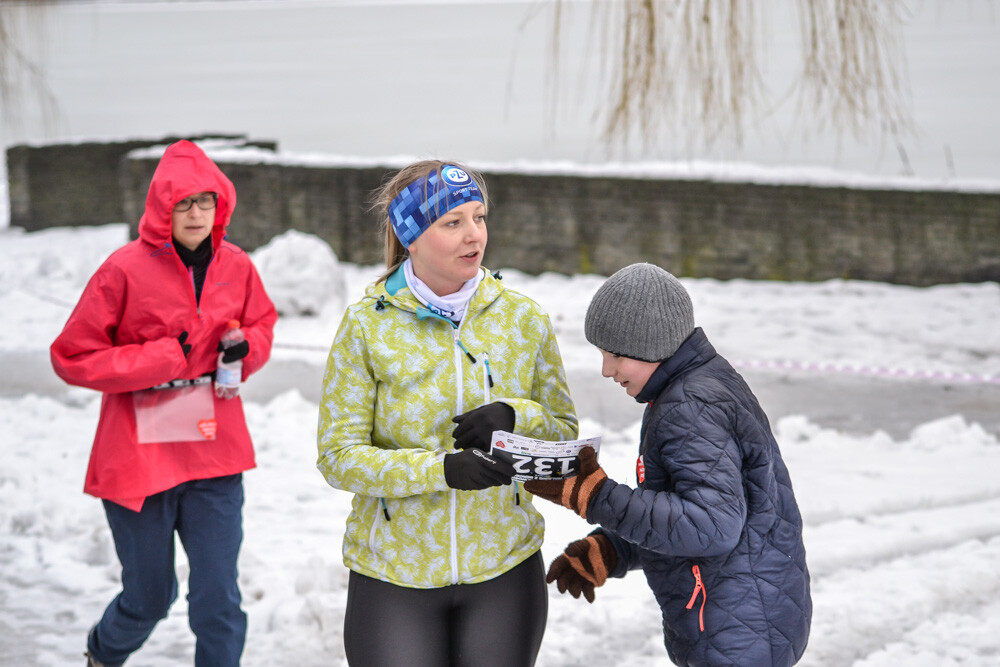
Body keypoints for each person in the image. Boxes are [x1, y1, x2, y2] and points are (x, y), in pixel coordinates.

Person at [316, 160, 578, 666]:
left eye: (478, 217)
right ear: (411, 235)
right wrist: (439, 471)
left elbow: (564, 436)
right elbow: (338, 457)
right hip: (395, 573)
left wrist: (515, 416)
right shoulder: (366, 328)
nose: (472, 235)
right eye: (451, 222)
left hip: (503, 567)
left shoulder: (523, 319)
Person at [50, 139, 278, 667]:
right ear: (161, 208)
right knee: (150, 597)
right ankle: (102, 654)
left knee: (218, 599)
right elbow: (71, 356)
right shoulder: (123, 269)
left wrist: (246, 350)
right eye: (183, 203)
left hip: (213, 452)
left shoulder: (237, 265)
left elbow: (262, 324)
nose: (196, 213)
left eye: (206, 201)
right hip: (139, 458)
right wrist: (160, 358)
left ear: (220, 204)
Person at [525, 263, 812, 666]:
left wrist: (596, 495)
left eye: (617, 355)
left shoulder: (689, 406)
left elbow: (710, 526)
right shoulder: (693, 386)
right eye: (602, 354)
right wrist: (612, 550)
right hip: (745, 617)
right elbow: (689, 508)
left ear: (653, 345)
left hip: (733, 631)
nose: (607, 370)